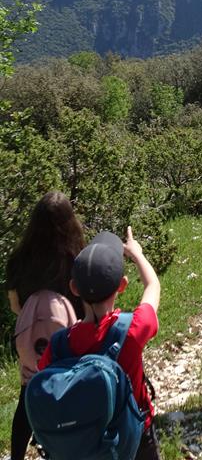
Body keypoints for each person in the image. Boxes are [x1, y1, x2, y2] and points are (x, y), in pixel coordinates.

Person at [38, 228, 161, 460]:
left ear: (74, 288)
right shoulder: (132, 330)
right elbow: (152, 286)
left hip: (85, 445)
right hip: (134, 438)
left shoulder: (58, 345)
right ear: (122, 286)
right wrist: (137, 254)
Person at [6, 191, 85, 460]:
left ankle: (16, 455)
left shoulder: (18, 260)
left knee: (26, 397)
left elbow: (15, 306)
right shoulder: (76, 258)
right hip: (67, 340)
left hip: (31, 344)